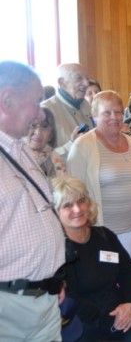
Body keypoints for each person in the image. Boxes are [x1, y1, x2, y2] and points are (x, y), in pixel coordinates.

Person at [0, 61, 66, 341]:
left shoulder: (20, 149)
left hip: (45, 297)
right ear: (7, 100)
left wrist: (52, 276)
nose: (41, 112)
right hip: (10, 305)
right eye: (36, 102)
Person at [53, 176, 131, 342]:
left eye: (81, 201)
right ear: (56, 213)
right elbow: (71, 297)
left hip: (121, 310)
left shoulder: (104, 235)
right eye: (67, 205)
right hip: (84, 323)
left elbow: (129, 271)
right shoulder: (57, 249)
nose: (77, 209)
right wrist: (111, 320)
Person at [67, 91, 131, 260]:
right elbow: (74, 193)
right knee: (107, 281)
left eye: (118, 112)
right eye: (107, 113)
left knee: (127, 277)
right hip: (100, 232)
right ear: (94, 116)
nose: (114, 117)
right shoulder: (82, 146)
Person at [42, 63, 94, 159]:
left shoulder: (87, 106)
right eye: (78, 78)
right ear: (62, 83)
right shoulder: (45, 112)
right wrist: (71, 145)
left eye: (87, 78)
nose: (86, 83)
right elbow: (39, 158)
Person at [25, 107, 65, 177]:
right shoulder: (16, 159)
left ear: (51, 135)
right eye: (33, 125)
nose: (38, 132)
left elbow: (63, 183)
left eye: (44, 126)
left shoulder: (56, 159)